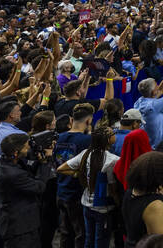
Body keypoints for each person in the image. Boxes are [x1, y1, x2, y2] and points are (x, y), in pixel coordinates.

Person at [58, 125, 119, 248]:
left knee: (89, 240)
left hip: (86, 204)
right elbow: (112, 189)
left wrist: (79, 173)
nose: (115, 135)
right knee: (101, 241)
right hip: (103, 208)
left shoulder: (85, 154)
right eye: (113, 134)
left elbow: (61, 168)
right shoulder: (113, 160)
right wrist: (118, 203)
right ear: (108, 140)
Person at [0, 132, 55, 248]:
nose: (29, 149)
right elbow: (40, 187)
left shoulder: (4, 162)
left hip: (17, 222)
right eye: (26, 147)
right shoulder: (13, 174)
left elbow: (28, 168)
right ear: (16, 152)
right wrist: (45, 162)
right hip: (20, 227)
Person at [54, 103, 97, 248]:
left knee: (66, 233)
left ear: (71, 120)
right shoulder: (87, 140)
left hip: (61, 190)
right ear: (88, 121)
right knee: (81, 234)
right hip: (77, 193)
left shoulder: (58, 138)